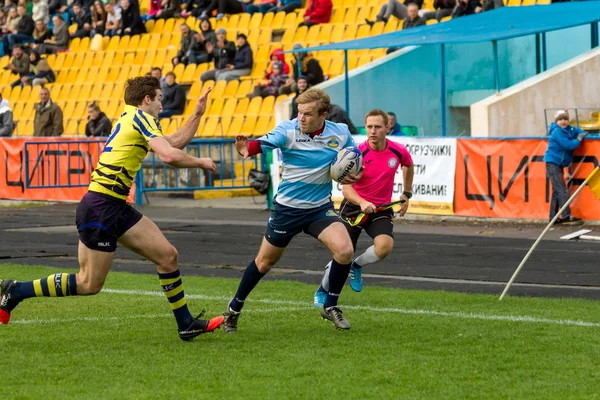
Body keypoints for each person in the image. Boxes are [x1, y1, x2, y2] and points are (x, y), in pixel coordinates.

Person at [0, 76, 225, 341]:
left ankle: (185, 324)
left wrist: (197, 114)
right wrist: (201, 162)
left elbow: (173, 143)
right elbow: (169, 155)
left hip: (113, 204)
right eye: (160, 99)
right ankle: (16, 290)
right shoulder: (142, 118)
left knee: (168, 256)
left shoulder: (132, 117)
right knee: (88, 284)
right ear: (147, 99)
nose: (162, 105)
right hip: (101, 206)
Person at [222, 88, 361, 332]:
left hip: (319, 209)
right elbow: (261, 144)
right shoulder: (288, 130)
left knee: (345, 250)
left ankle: (330, 305)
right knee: (264, 263)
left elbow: (353, 158)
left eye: (308, 114)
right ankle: (233, 309)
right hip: (287, 210)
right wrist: (246, 149)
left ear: (324, 114)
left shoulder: (339, 133)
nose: (301, 118)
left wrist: (352, 173)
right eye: (299, 112)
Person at [314, 110, 414, 304]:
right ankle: (322, 290)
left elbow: (408, 165)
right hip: (353, 208)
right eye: (369, 127)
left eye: (377, 127)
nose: (373, 131)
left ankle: (357, 266)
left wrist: (406, 194)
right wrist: (362, 202)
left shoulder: (398, 151)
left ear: (387, 127)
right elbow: (347, 190)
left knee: (384, 247)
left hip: (381, 209)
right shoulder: (356, 155)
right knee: (342, 253)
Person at [543, 109, 585, 225]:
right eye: (561, 119)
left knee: (557, 191)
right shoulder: (557, 132)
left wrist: (582, 133)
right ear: (556, 121)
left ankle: (553, 218)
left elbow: (579, 131)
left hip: (557, 163)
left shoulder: (569, 129)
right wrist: (579, 139)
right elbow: (568, 145)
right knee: (561, 190)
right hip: (553, 163)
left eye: (565, 119)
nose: (563, 121)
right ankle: (566, 216)